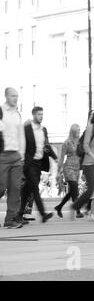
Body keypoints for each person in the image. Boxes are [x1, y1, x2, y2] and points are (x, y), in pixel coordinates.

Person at [19, 106, 57, 223]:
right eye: (39, 114)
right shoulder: (26, 129)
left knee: (26, 190)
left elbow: (46, 145)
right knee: (35, 188)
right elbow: (21, 145)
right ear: (33, 115)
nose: (41, 117)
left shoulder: (43, 130)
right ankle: (43, 214)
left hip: (38, 164)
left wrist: (54, 157)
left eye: (42, 114)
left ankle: (19, 214)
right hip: (29, 163)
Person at [0, 88, 26, 229]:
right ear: (6, 96)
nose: (15, 98)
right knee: (1, 187)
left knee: (15, 188)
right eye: (12, 96)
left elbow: (21, 135)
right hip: (2, 154)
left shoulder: (17, 114)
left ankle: (10, 219)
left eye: (17, 96)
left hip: (16, 155)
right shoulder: (1, 111)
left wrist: (21, 154)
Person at [54, 124, 83, 218]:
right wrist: (59, 171)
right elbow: (62, 157)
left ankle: (59, 207)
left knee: (72, 191)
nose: (79, 132)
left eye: (79, 130)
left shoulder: (80, 142)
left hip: (77, 168)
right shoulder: (67, 143)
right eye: (77, 131)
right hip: (69, 168)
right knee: (74, 187)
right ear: (73, 131)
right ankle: (78, 211)